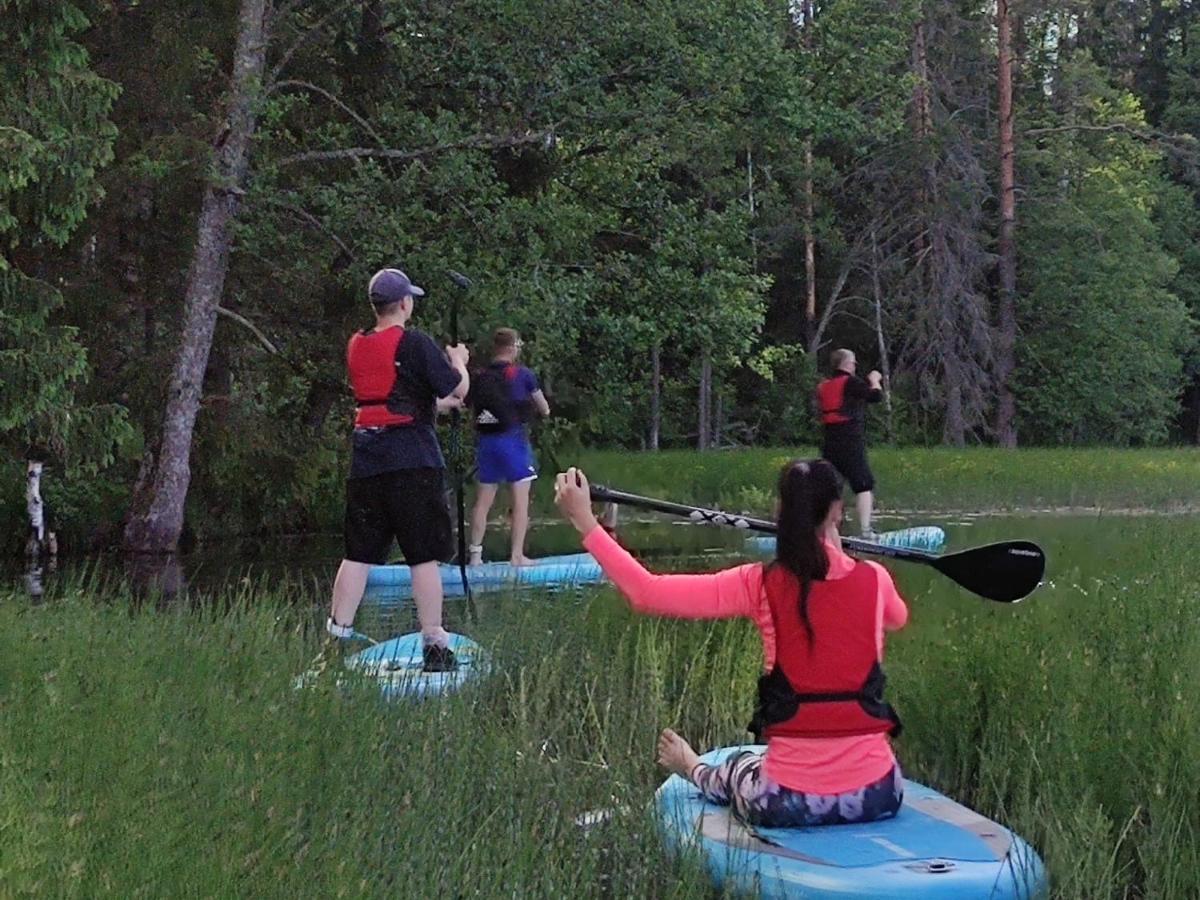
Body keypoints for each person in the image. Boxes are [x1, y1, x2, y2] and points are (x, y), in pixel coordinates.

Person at [554, 460, 908, 828]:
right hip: (880, 793)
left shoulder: (758, 584)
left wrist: (586, 523)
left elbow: (646, 592)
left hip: (785, 801)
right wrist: (839, 555)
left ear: (779, 513)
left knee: (739, 767)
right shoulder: (876, 579)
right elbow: (897, 618)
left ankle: (691, 766)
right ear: (837, 511)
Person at [325, 268, 470, 672]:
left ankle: (335, 640)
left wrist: (435, 407)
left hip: (367, 462)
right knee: (422, 557)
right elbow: (457, 389)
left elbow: (393, 396)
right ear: (405, 303)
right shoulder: (415, 342)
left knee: (358, 554)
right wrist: (459, 361)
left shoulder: (357, 345)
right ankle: (435, 645)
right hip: (413, 464)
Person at [467, 328, 550, 566]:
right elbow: (544, 408)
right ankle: (516, 556)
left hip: (487, 442)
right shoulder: (523, 374)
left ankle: (475, 556)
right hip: (513, 441)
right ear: (512, 347)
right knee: (520, 502)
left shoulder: (481, 375)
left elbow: (467, 404)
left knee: (482, 503)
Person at [816, 348, 884, 538]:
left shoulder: (823, 386)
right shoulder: (850, 382)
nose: (855, 365)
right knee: (863, 484)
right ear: (845, 364)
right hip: (850, 441)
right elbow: (875, 397)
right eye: (853, 362)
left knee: (833, 487)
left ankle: (827, 531)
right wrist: (875, 380)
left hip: (829, 442)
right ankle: (865, 531)